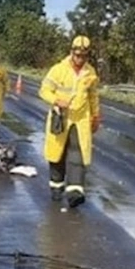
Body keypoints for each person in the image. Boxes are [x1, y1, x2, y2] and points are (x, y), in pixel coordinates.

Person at [39, 35, 101, 207]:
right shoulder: (58, 70)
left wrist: (96, 116)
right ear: (72, 52)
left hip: (80, 118)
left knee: (77, 151)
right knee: (57, 153)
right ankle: (56, 187)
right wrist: (56, 100)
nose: (80, 59)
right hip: (61, 116)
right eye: (78, 55)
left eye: (84, 56)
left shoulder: (90, 72)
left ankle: (75, 192)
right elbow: (44, 90)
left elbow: (93, 96)